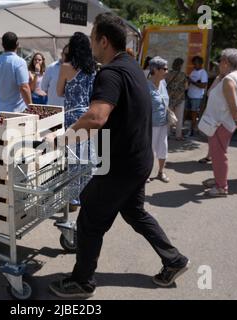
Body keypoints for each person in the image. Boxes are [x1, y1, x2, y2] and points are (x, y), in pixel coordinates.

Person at [48, 13, 189, 298]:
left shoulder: (110, 73)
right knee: (134, 212)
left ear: (103, 40)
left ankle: (82, 281)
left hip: (121, 164)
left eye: (92, 39)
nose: (90, 46)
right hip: (138, 159)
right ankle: (174, 259)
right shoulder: (133, 67)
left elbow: (97, 117)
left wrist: (61, 140)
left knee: (89, 215)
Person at [57, 31, 96, 210]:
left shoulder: (66, 67)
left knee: (73, 158)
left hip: (72, 114)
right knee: (87, 157)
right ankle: (86, 194)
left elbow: (59, 92)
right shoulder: (93, 68)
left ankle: (73, 199)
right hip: (88, 115)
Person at [201, 49, 237, 197]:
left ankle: (221, 187)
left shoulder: (229, 79)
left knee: (219, 156)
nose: (219, 63)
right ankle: (219, 180)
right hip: (221, 123)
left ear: (226, 62)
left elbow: (233, 104)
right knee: (219, 154)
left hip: (220, 123)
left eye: (220, 60)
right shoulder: (235, 77)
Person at [0, 32, 32, 113]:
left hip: (0, 111)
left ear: (2, 45)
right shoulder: (20, 62)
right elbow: (24, 87)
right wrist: (31, 107)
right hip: (18, 112)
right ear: (17, 44)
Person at [148, 57, 171, 183]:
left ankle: (161, 172)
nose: (167, 71)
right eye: (165, 69)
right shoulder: (146, 87)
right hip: (151, 124)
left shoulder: (163, 83)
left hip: (163, 122)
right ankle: (146, 173)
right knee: (149, 150)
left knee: (163, 148)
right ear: (155, 70)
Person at [165, 58, 187, 140]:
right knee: (179, 117)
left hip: (169, 97)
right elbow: (186, 87)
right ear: (181, 65)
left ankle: (167, 134)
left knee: (168, 116)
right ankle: (178, 135)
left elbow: (164, 84)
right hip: (180, 98)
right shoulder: (183, 75)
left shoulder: (168, 74)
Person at [186, 56, 208, 136]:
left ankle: (192, 130)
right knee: (188, 112)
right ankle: (189, 129)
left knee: (194, 114)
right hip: (189, 94)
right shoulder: (193, 71)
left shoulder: (203, 73)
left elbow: (203, 85)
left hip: (197, 97)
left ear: (200, 63)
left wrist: (192, 82)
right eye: (194, 63)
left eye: (196, 63)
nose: (194, 65)